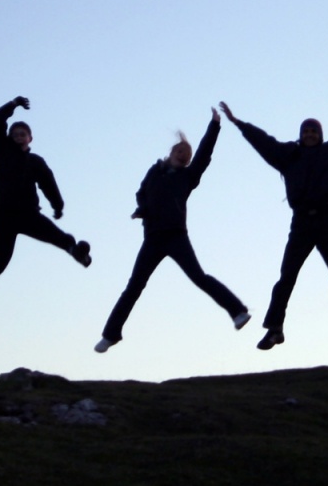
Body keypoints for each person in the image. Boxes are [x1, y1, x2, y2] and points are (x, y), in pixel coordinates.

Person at [219, 96, 328, 350]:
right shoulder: (289, 155)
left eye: (314, 131)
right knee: (286, 278)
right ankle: (274, 330)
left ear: (321, 134)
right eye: (306, 131)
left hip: (327, 220)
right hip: (301, 222)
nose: (310, 134)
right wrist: (238, 123)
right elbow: (264, 142)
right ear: (300, 135)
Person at [94, 107, 250, 352]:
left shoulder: (188, 177)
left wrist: (215, 126)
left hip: (176, 236)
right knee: (134, 286)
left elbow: (204, 154)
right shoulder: (154, 172)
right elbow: (142, 193)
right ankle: (111, 334)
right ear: (171, 152)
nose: (184, 156)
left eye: (187, 155)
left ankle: (238, 311)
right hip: (153, 238)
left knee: (198, 276)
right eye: (180, 151)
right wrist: (141, 210)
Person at [0, 96, 92, 304]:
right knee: (1, 258)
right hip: (4, 216)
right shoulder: (0, 153)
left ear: (30, 138)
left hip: (28, 214)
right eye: (15, 134)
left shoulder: (35, 161)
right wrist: (13, 104)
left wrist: (58, 205)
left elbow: (48, 182)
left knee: (55, 234)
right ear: (9, 137)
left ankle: (76, 251)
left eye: (23, 134)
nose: (19, 136)